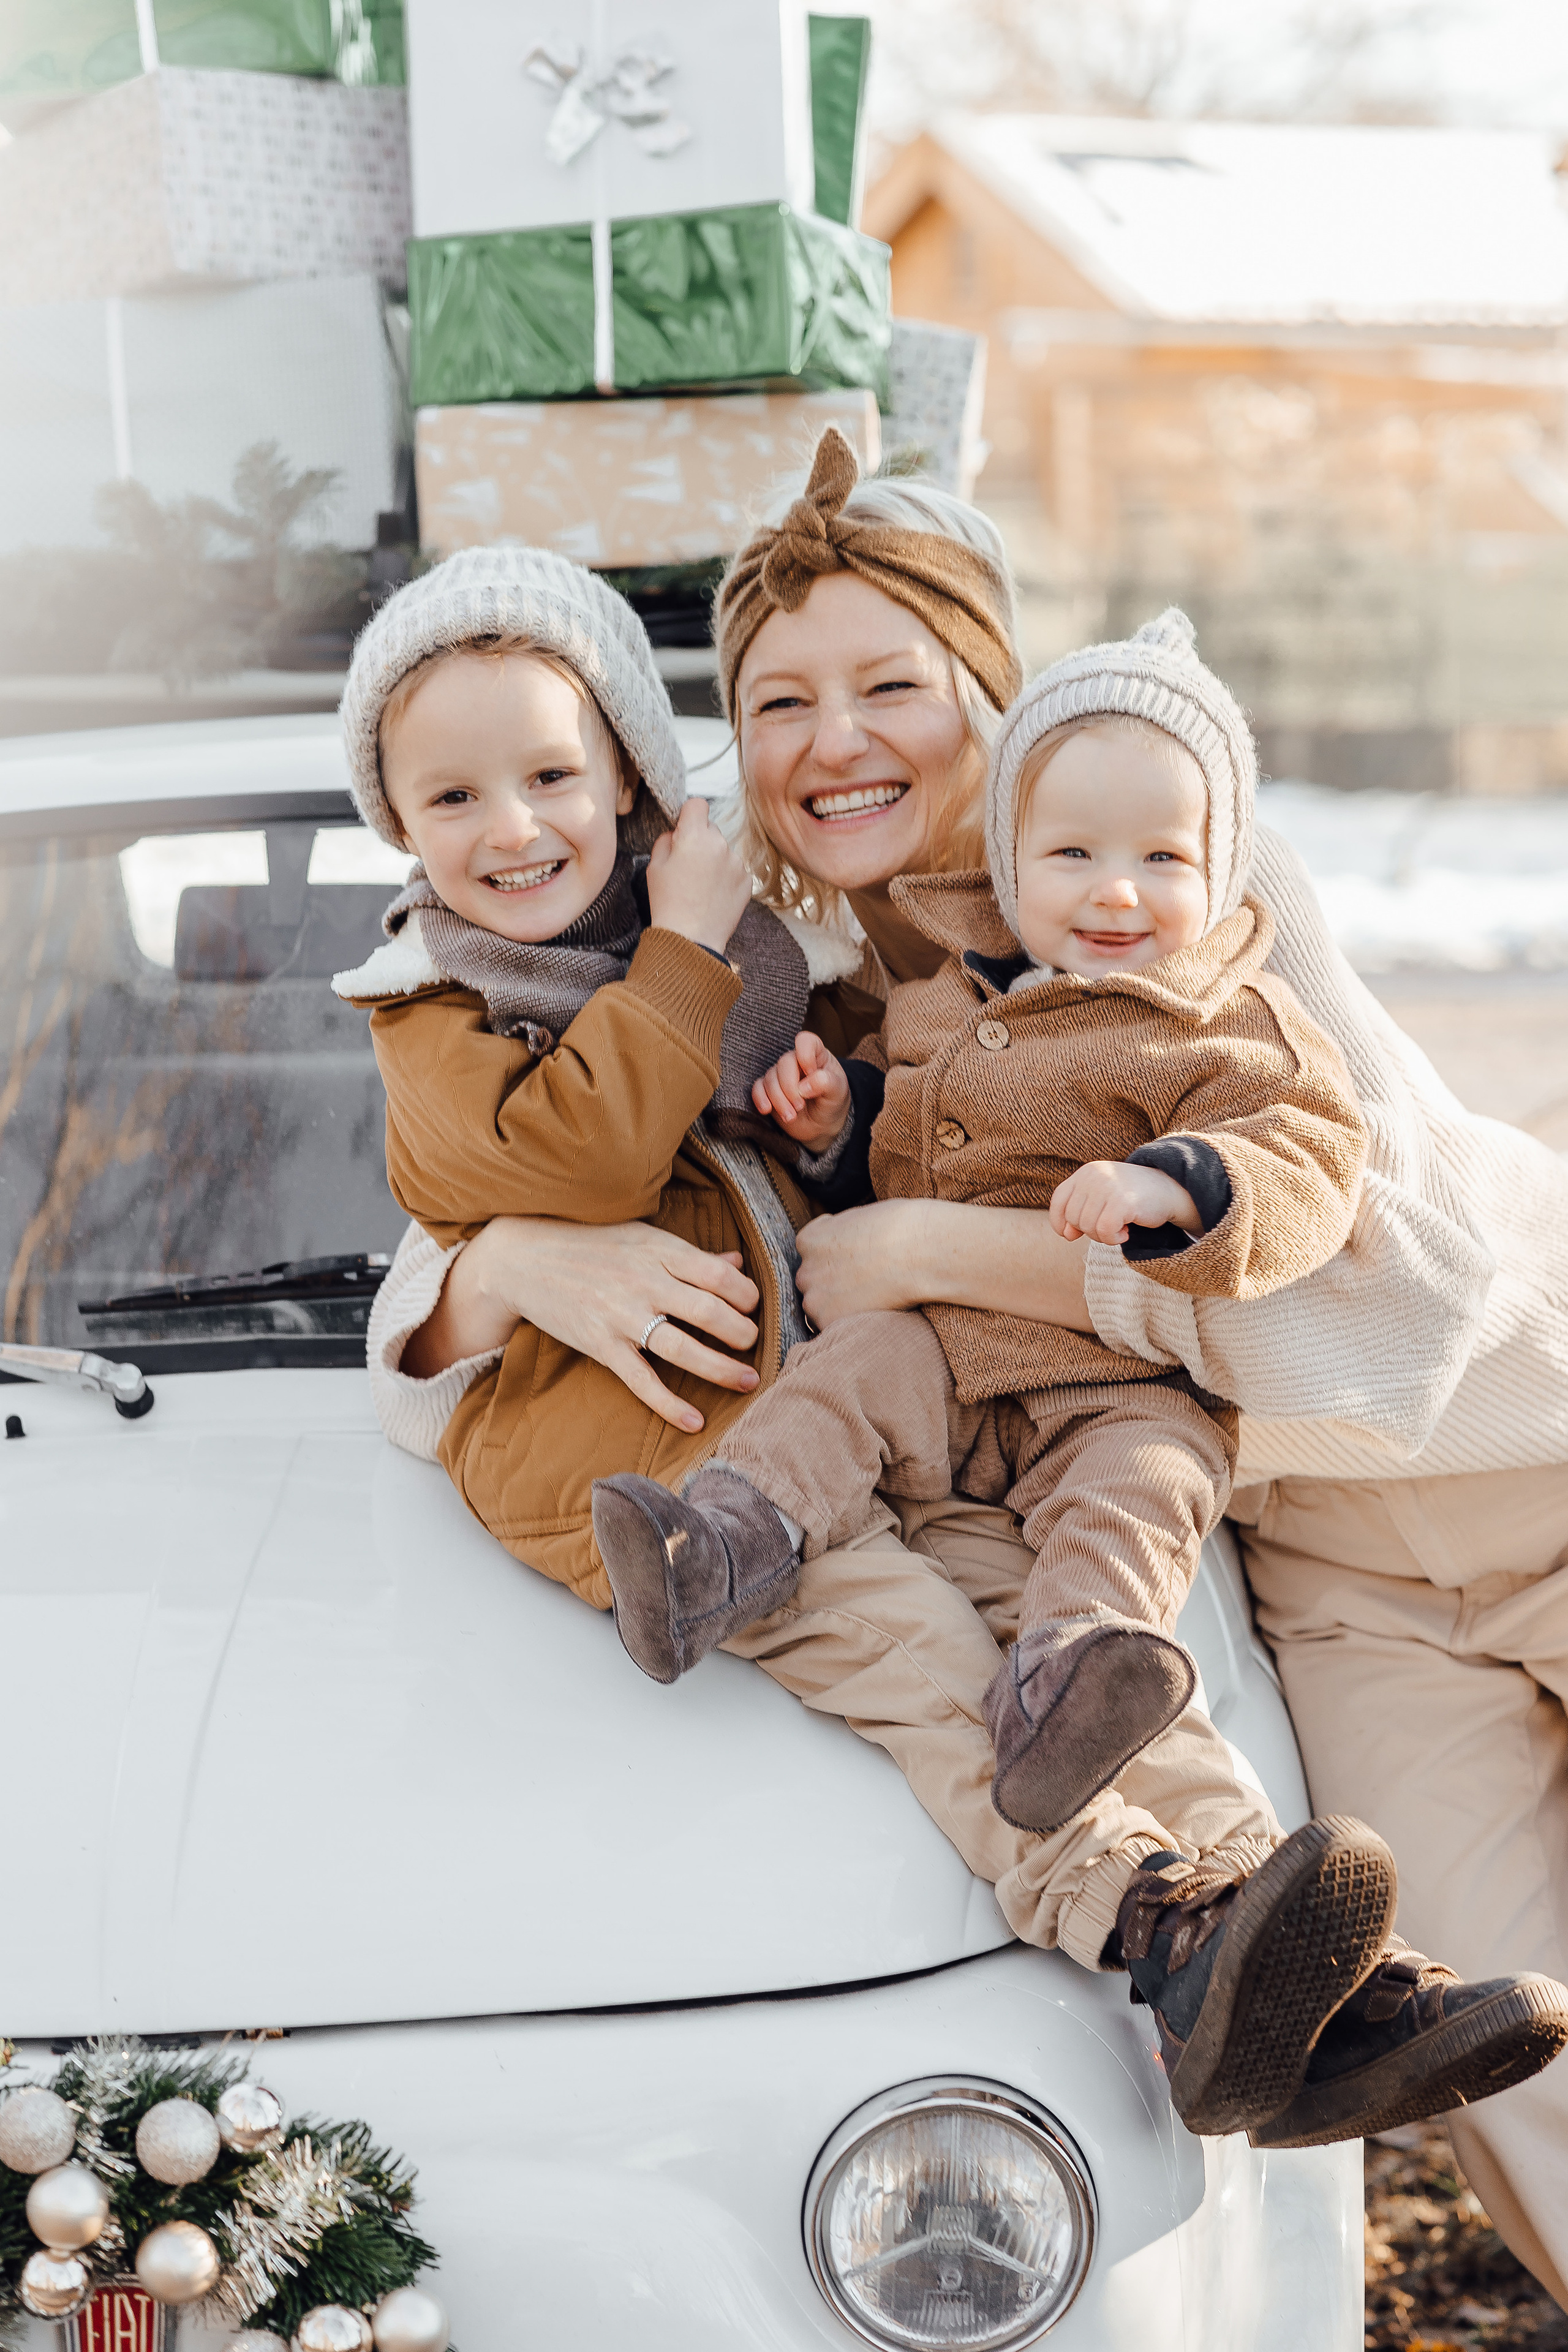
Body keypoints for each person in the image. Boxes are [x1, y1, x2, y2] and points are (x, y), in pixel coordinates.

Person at [354, 434, 1568, 2189]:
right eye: (779, 703)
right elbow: (470, 1214)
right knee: (1515, 2110)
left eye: (890, 685)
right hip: (1313, 1566)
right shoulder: (817, 973)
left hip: (1505, 1443)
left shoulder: (1156, 857)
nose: (835, 740)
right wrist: (497, 1272)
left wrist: (941, 1259)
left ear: (990, 690)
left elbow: (1397, 1301)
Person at [594, 612, 1368, 1855]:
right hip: (941, 1355)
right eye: (1070, 852)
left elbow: (1309, 1160)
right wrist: (837, 1126)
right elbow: (895, 1157)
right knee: (837, 1379)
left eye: (1162, 859)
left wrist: (1178, 1184)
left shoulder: (1225, 1024)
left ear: (1220, 871)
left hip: (1112, 1387)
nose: (1116, 890)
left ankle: (1071, 1680)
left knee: (1143, 1496)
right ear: (1008, 864)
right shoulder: (934, 999)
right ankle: (724, 1543)